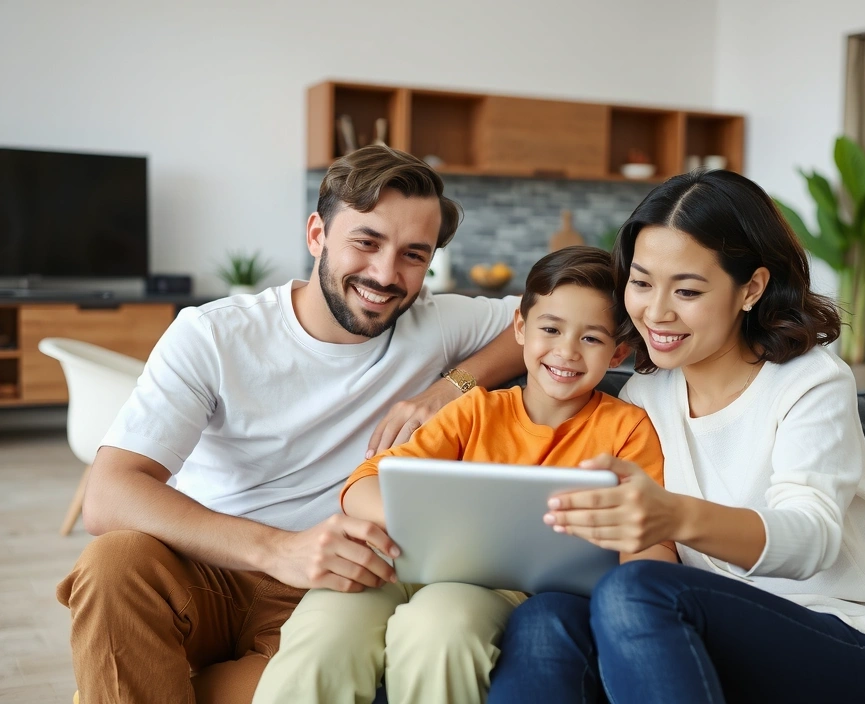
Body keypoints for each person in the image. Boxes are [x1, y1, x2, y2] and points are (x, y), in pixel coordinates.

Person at [55, 145, 527, 704]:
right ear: (316, 235)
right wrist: (277, 549)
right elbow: (108, 495)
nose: (385, 273)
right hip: (205, 570)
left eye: (413, 255)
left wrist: (453, 385)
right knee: (114, 563)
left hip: (319, 601)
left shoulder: (438, 323)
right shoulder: (214, 334)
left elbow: (557, 316)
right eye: (366, 242)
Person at [488, 170, 865, 704]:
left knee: (634, 592)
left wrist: (673, 515)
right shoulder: (646, 395)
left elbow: (812, 538)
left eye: (687, 290)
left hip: (852, 642)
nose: (655, 312)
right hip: (709, 631)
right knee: (546, 615)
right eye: (640, 282)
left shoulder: (810, 382)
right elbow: (528, 316)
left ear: (750, 288)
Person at [253, 246, 678, 704]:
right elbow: (362, 483)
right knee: (328, 626)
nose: (566, 351)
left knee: (441, 629)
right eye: (550, 329)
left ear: (618, 353)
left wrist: (636, 597)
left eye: (591, 339)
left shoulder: (627, 428)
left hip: (502, 587)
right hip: (407, 561)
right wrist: (426, 524)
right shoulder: (476, 409)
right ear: (520, 327)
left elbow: (651, 537)